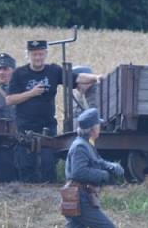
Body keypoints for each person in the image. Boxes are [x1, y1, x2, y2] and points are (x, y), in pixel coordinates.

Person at [6, 40, 101, 183]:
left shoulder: (54, 71)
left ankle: (48, 195)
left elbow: (76, 78)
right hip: (25, 127)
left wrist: (95, 77)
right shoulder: (19, 73)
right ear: (28, 55)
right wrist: (31, 93)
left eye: (41, 54)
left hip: (47, 126)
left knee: (48, 165)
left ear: (45, 54)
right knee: (25, 166)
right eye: (34, 54)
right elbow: (10, 100)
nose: (38, 57)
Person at [63, 108, 124, 228]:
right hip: (80, 198)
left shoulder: (86, 144)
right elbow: (79, 172)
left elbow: (97, 161)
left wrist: (111, 166)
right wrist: (103, 175)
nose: (100, 128)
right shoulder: (80, 147)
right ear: (92, 129)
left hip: (79, 197)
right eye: (98, 125)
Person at [0, 52, 18, 182]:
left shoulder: (21, 93)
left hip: (19, 144)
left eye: (5, 69)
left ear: (13, 71)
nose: (1, 72)